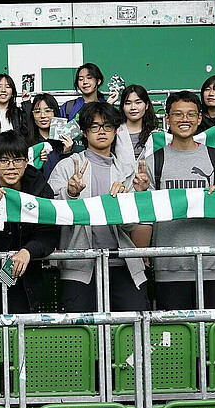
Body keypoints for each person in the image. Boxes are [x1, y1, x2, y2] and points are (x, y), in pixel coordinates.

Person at [48, 101, 147, 312]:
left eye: (107, 126)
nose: (101, 132)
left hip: (123, 265)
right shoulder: (67, 167)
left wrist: (133, 199)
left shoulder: (127, 171)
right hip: (79, 265)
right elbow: (52, 215)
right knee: (81, 334)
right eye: (94, 126)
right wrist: (70, 193)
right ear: (84, 132)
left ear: (116, 130)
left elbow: (131, 226)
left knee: (131, 330)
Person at [135, 91, 215, 310]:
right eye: (177, 114)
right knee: (176, 335)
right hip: (170, 265)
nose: (184, 120)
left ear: (199, 119)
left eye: (190, 114)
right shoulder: (153, 161)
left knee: (213, 335)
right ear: (167, 119)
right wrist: (140, 193)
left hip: (213, 265)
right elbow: (146, 214)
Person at [0, 132, 57, 314]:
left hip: (25, 281)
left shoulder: (40, 188)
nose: (11, 167)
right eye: (4, 161)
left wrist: (28, 250)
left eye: (17, 160)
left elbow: (49, 234)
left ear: (26, 161)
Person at [28, 93, 71, 180]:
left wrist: (66, 153)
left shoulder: (66, 140)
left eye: (48, 111)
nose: (43, 116)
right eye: (37, 111)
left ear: (55, 112)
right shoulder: (27, 142)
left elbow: (71, 174)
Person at [119, 84, 158, 159]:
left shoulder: (154, 134)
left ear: (146, 105)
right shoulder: (115, 132)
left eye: (138, 102)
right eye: (128, 103)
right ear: (122, 107)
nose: (133, 107)